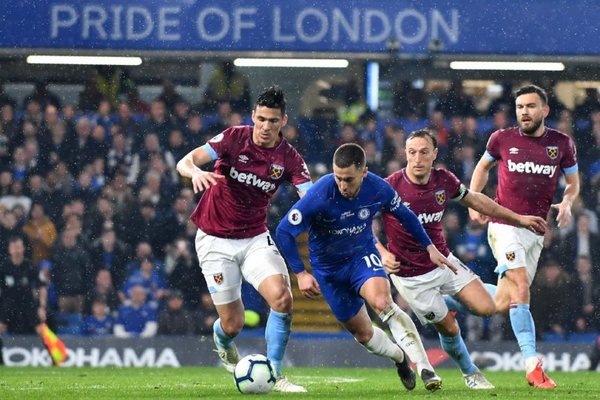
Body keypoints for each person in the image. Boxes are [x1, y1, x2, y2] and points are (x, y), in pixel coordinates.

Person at [276, 143, 458, 392]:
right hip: (328, 271)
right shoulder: (320, 194)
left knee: (384, 304)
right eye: (338, 178)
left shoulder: (378, 188)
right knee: (363, 334)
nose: (342, 185)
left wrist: (429, 247)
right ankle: (400, 358)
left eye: (348, 179)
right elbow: (284, 230)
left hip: (361, 257)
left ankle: (425, 367)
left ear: (364, 172)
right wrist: (300, 272)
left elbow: (406, 216)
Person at [377, 129, 548, 389]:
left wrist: (519, 218)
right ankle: (471, 373)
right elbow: (363, 220)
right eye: (412, 152)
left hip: (445, 262)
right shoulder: (390, 187)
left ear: (435, 154)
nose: (417, 158)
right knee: (449, 327)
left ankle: (447, 300)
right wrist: (382, 252)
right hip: (410, 276)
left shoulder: (443, 179)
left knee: (489, 308)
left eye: (424, 152)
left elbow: (477, 202)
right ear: (405, 154)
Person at [176, 86, 312, 393]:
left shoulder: (289, 158)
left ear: (283, 121)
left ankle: (276, 375)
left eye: (273, 121)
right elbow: (185, 161)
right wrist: (195, 172)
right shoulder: (233, 138)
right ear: (253, 116)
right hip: (214, 240)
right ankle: (222, 342)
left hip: (254, 238)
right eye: (261, 119)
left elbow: (309, 195)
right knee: (233, 324)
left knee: (282, 298)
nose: (265, 126)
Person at [468, 85, 580, 389]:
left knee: (504, 302)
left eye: (530, 106)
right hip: (504, 224)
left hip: (535, 232)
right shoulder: (501, 138)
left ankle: (454, 295)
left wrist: (567, 203)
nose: (524, 112)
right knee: (520, 286)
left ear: (544, 110)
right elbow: (482, 167)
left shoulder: (561, 143)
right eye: (519, 107)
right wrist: (474, 199)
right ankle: (533, 366)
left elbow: (573, 183)